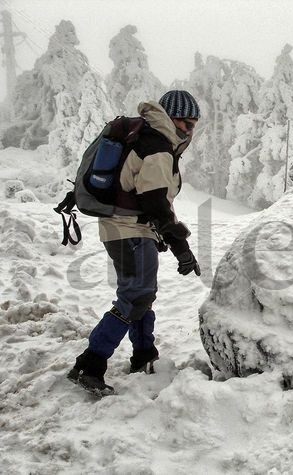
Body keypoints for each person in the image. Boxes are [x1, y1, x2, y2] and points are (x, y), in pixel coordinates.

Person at [67, 90, 202, 395]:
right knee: (135, 294)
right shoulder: (157, 146)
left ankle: (144, 354)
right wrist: (182, 248)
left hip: (128, 228)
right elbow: (154, 201)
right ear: (169, 118)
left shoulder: (152, 138)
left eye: (193, 124)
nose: (189, 129)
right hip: (128, 229)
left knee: (141, 294)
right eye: (185, 122)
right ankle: (91, 363)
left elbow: (152, 198)